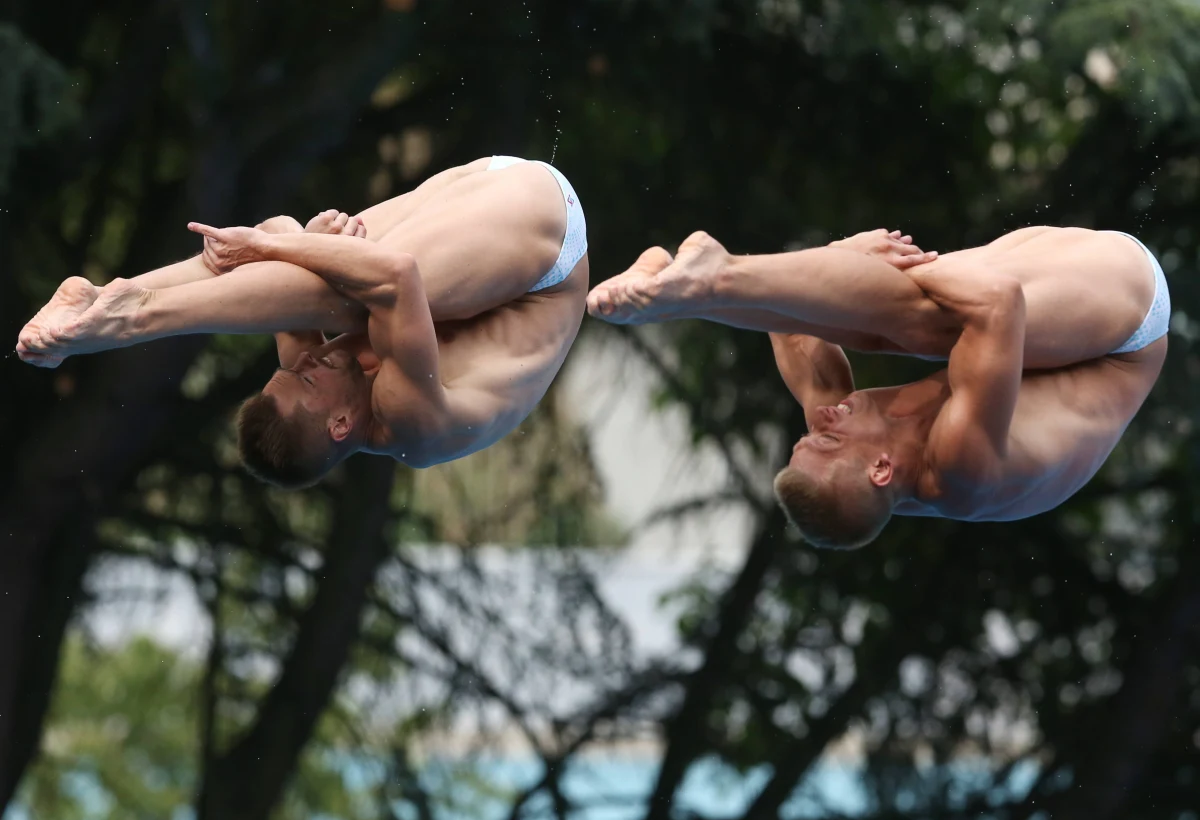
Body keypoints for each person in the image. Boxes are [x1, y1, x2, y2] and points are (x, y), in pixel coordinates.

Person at [16, 155, 588, 487]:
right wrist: (278, 246)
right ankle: (130, 318)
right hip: (544, 242)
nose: (309, 358)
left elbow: (280, 228)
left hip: (482, 189)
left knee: (319, 285)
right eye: (308, 377)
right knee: (342, 296)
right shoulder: (413, 424)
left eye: (292, 369)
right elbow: (396, 277)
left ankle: (104, 298)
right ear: (340, 425)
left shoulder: (314, 379)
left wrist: (289, 243)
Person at [587, 226, 1168, 548]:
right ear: (881, 470)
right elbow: (996, 303)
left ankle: (680, 290)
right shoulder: (961, 467)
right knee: (924, 322)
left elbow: (788, 321)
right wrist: (864, 264)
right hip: (1126, 325)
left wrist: (839, 260)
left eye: (809, 435)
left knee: (880, 328)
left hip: (1043, 288)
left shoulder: (846, 443)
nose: (822, 422)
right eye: (829, 440)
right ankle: (709, 278)